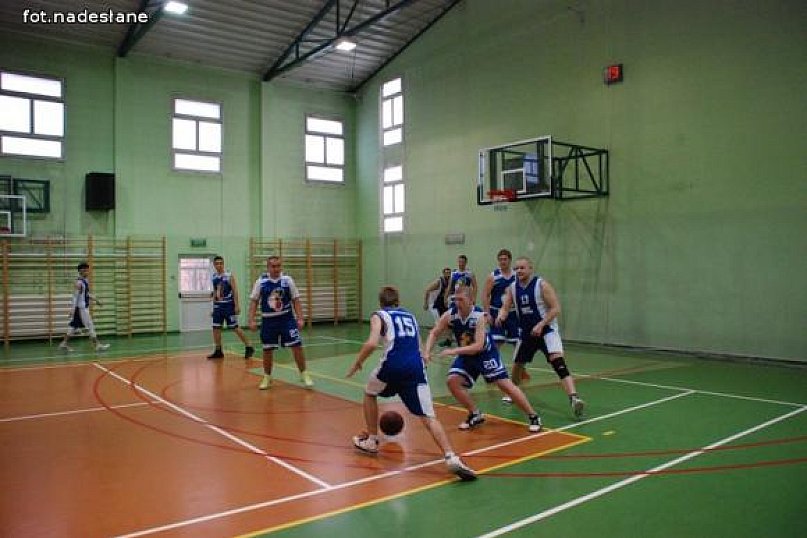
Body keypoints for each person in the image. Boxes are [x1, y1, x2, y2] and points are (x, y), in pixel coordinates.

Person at [347, 286, 476, 481]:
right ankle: (451, 457)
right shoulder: (410, 316)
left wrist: (358, 362)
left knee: (369, 393)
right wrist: (424, 358)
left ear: (381, 302)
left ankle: (372, 440)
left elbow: (372, 343)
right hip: (415, 368)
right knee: (429, 416)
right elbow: (419, 345)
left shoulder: (379, 315)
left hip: (392, 366)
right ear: (398, 301)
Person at [423, 286, 542, 432]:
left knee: (504, 385)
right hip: (466, 354)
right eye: (455, 299)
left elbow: (478, 346)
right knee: (453, 381)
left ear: (471, 300)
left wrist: (453, 350)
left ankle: (533, 416)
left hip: (485, 354)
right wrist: (427, 352)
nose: (457, 303)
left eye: (461, 299)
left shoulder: (479, 316)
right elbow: (434, 333)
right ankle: (475, 414)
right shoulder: (450, 315)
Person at [497, 256, 585, 418]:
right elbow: (505, 306)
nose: (519, 271)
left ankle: (574, 398)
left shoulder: (541, 285)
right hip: (526, 333)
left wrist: (541, 324)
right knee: (518, 364)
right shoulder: (513, 288)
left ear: (530, 269)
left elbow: (556, 308)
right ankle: (513, 392)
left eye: (522, 268)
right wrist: (501, 315)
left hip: (546, 331)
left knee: (557, 361)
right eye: (516, 268)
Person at [248, 256, 313, 390]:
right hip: (268, 321)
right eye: (273, 266)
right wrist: (251, 319)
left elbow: (296, 299)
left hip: (286, 319)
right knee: (267, 349)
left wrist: (300, 318)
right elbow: (254, 301)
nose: (276, 269)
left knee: (297, 346)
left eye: (278, 266)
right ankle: (267, 377)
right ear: (268, 267)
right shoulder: (261, 282)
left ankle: (304, 373)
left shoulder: (287, 280)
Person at [481, 249, 529, 403]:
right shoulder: (493, 276)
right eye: (500, 259)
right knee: (496, 344)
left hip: (514, 315)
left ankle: (520, 370)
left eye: (505, 259)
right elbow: (485, 294)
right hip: (497, 314)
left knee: (518, 345)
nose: (502, 261)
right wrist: (487, 313)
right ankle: (492, 371)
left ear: (509, 260)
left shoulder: (516, 276)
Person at [207, 255, 254, 360]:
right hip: (218, 306)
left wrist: (237, 305)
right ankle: (218, 350)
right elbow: (215, 292)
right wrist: (213, 307)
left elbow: (235, 290)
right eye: (217, 263)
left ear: (223, 264)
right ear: (214, 265)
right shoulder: (214, 277)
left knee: (234, 327)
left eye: (221, 263)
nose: (219, 265)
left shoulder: (229, 275)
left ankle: (249, 346)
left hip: (228, 305)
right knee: (216, 328)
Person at [58, 262, 110, 352]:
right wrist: (72, 311)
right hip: (82, 309)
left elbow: (86, 294)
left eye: (88, 270)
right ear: (81, 271)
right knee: (90, 325)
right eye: (86, 270)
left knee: (73, 327)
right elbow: (75, 297)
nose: (88, 272)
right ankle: (97, 345)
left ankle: (64, 343)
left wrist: (96, 300)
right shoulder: (79, 283)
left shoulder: (85, 281)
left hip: (81, 308)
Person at [423, 267, 452, 347]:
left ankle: (447, 339)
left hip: (442, 304)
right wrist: (425, 303)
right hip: (434, 304)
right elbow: (427, 290)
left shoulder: (450, 282)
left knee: (446, 321)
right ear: (443, 273)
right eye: (446, 273)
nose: (448, 274)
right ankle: (434, 337)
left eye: (449, 273)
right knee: (440, 322)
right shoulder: (438, 282)